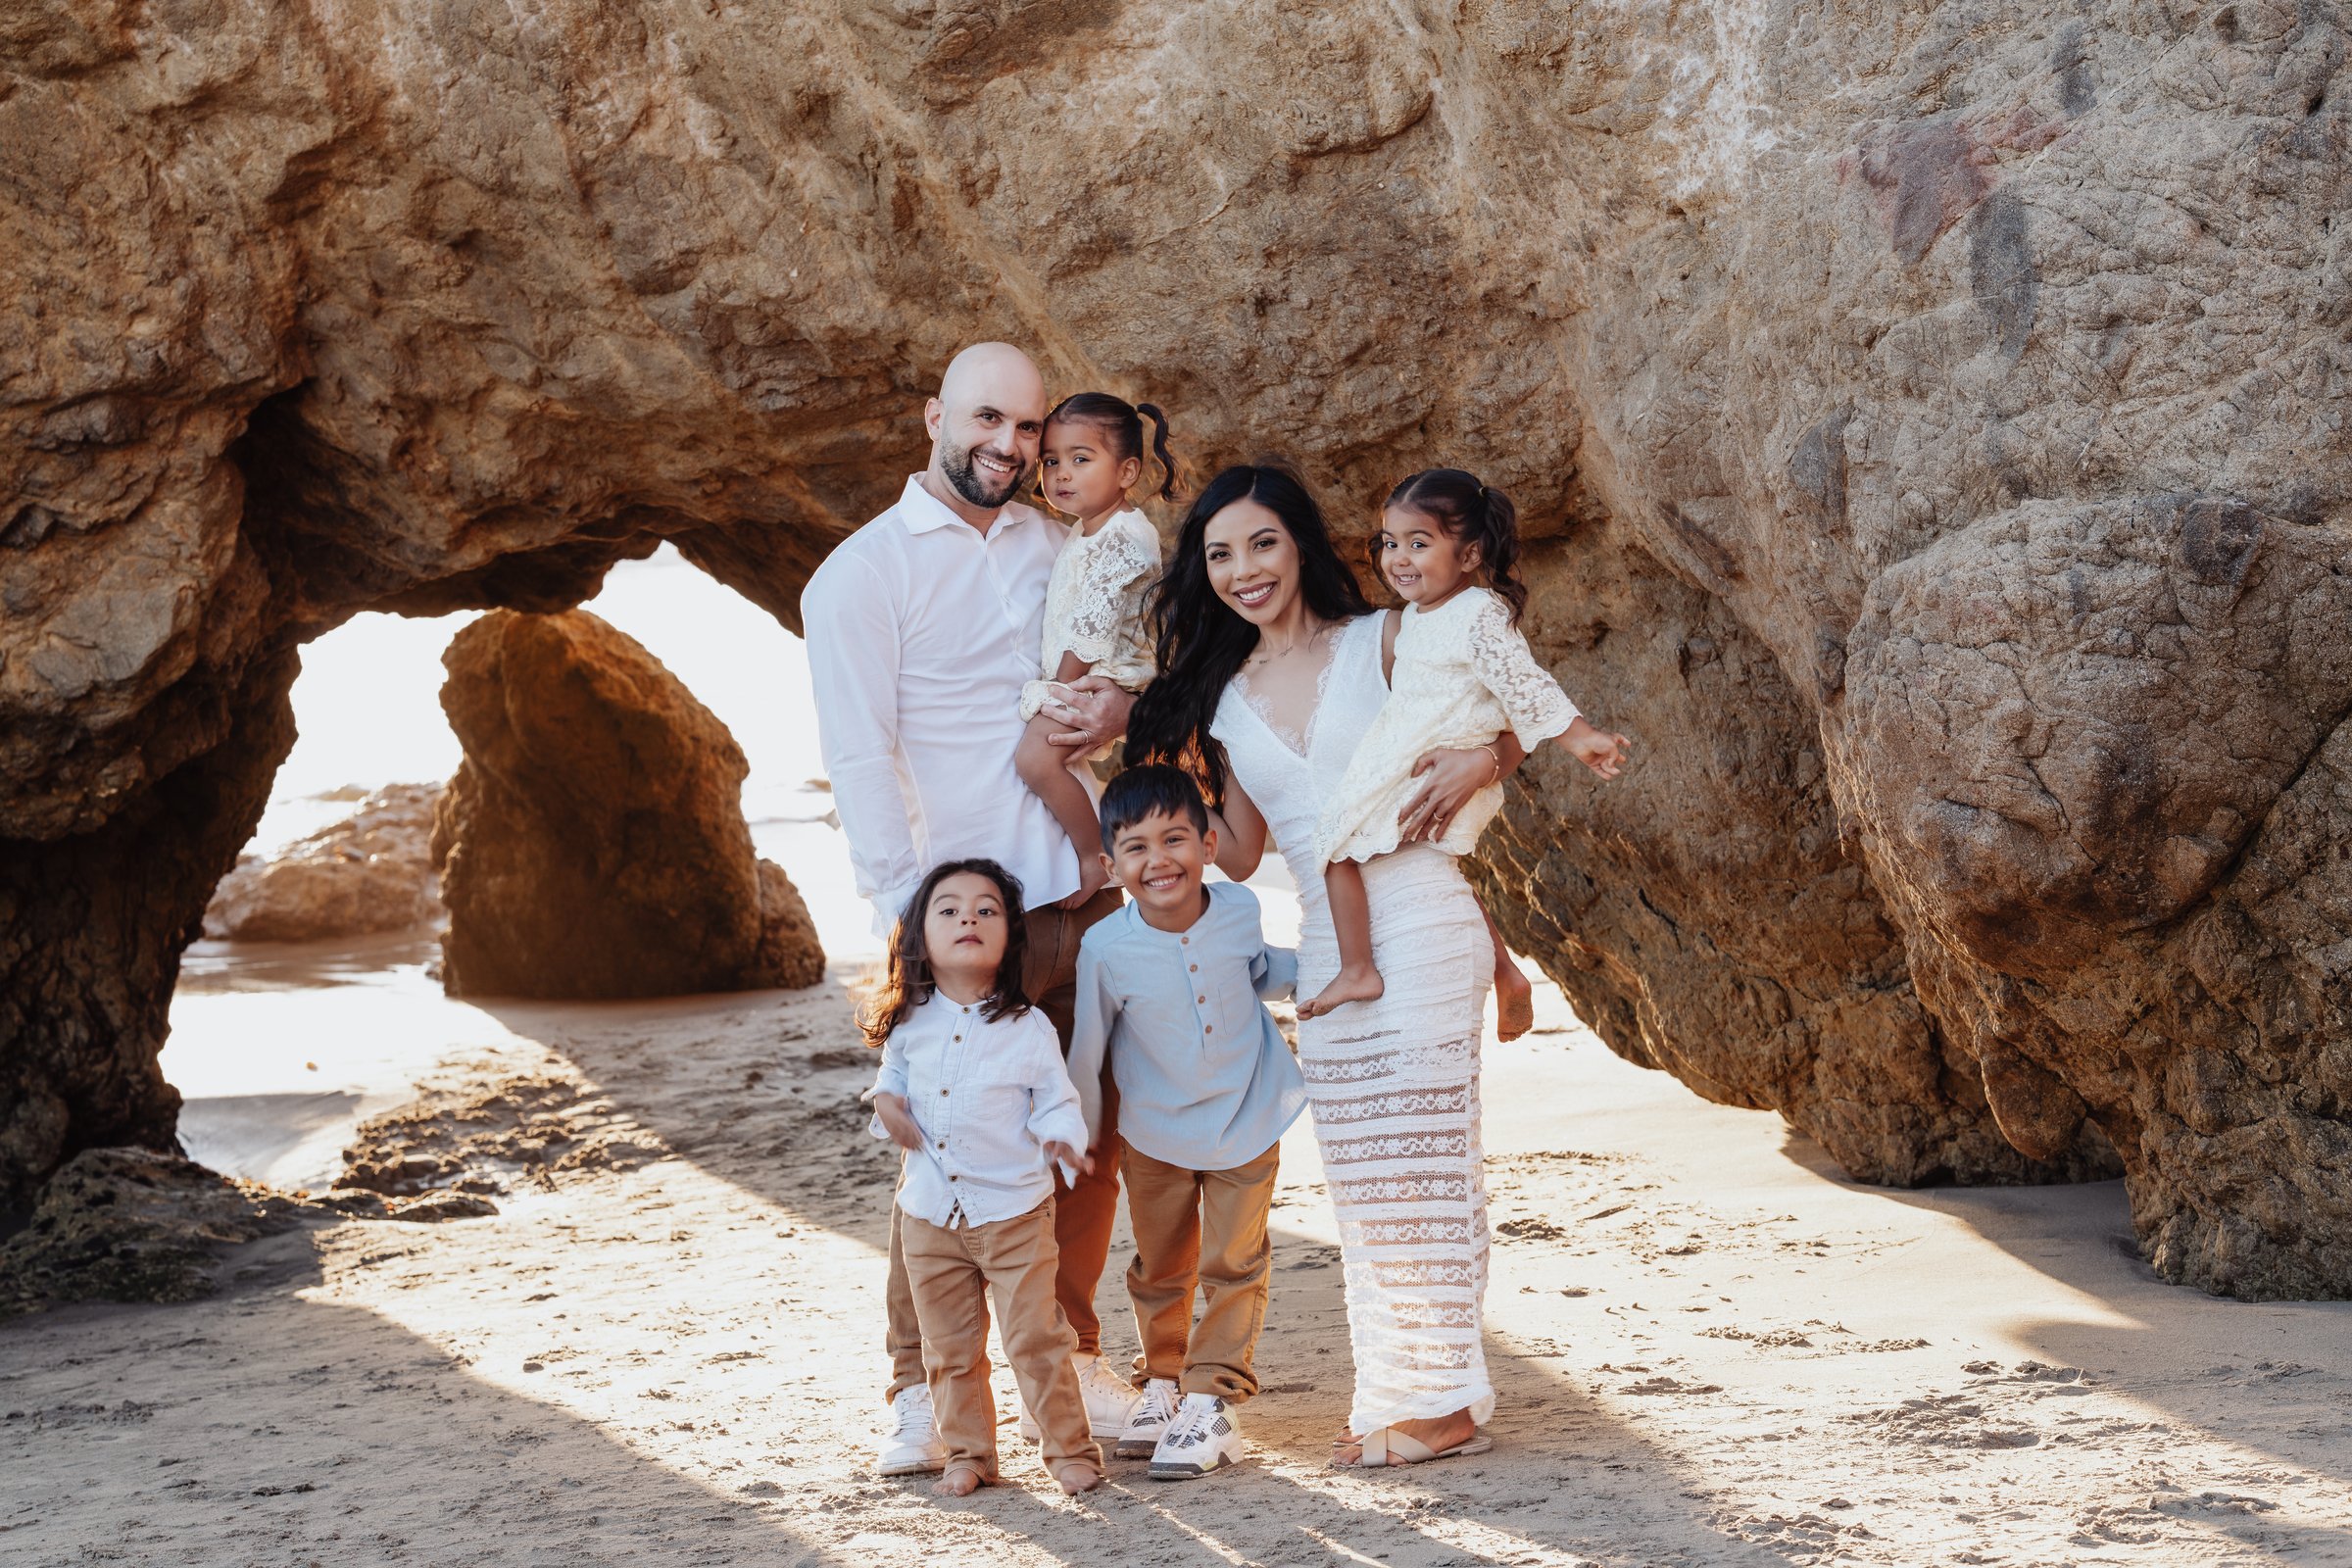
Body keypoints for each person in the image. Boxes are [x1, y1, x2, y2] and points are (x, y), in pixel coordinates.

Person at [1126, 462, 1527, 1468]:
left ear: (1300, 543)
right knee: (1367, 1178)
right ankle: (1422, 1386)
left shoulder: (1383, 640)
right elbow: (1249, 848)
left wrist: (1486, 759)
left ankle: (1434, 1399)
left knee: (1424, 1155)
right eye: (1219, 554)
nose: (1243, 569)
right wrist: (1152, 804)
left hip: (1421, 918)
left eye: (1262, 542)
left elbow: (1510, 711)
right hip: (1326, 943)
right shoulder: (1221, 699)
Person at [802, 343, 1140, 1477]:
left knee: (1078, 1133)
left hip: (1075, 893)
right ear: (935, 416)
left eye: (1031, 428)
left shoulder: (1062, 545)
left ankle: (1077, 1352)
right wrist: (910, 925)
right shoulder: (862, 574)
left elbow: (1101, 682)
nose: (1010, 445)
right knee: (942, 1148)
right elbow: (857, 754)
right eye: (988, 419)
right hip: (954, 912)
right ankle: (917, 1390)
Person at [1299, 470, 1632, 1020]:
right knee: (1426, 869)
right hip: (1414, 754)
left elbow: (1522, 682)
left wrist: (1581, 738)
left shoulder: (1477, 613)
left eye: (1419, 543)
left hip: (1437, 761)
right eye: (1389, 543)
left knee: (1332, 845)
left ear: (1471, 554)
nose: (1398, 557)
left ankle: (1357, 968)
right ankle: (1503, 970)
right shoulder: (1415, 617)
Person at [1062, 764, 1306, 1481]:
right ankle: (1164, 1380)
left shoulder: (1238, 909)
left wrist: (1338, 963)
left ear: (1207, 843)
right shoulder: (1104, 949)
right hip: (1155, 1134)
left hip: (1247, 1115)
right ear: (1111, 866)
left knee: (1235, 1262)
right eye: (1135, 848)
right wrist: (1077, 1132)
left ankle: (1212, 1395)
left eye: (1175, 838)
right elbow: (1087, 1049)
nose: (1157, 859)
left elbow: (1260, 971)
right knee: (1161, 1265)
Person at [860, 859, 1105, 1497]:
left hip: (1014, 1212)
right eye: (948, 909)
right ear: (918, 938)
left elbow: (1058, 1101)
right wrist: (888, 1106)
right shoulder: (910, 1023)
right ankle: (969, 1455)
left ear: (1009, 940)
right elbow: (891, 1083)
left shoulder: (1027, 1029)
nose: (968, 916)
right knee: (950, 1349)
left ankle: (1070, 1450)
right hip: (930, 1215)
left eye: (987, 909)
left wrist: (1062, 1140)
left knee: (1036, 1339)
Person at [1013, 394, 1177, 906]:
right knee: (1048, 760)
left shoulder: (1124, 536)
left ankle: (1093, 856)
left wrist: (1058, 688)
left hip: (1103, 674)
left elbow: (1092, 625)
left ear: (1127, 471)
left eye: (1081, 459)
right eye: (1051, 461)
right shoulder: (1085, 531)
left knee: (1035, 759)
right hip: (1087, 667)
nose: (1062, 473)